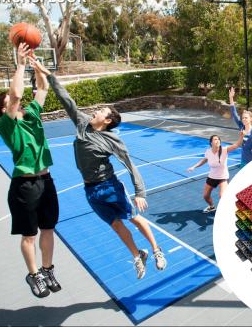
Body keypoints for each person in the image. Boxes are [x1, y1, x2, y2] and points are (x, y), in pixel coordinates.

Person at [30, 59, 167, 280]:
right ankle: (137, 254)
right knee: (115, 224)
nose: (96, 110)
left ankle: (155, 249)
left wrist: (140, 192)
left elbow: (130, 165)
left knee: (132, 217)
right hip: (90, 190)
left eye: (101, 110)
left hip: (110, 186)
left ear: (108, 120)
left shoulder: (112, 140)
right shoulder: (83, 123)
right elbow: (67, 100)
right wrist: (49, 75)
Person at [0, 43, 61, 298]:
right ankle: (33, 274)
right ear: (4, 110)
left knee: (48, 229)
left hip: (46, 181)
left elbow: (43, 87)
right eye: (11, 103)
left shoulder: (33, 114)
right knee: (29, 235)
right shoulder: (6, 125)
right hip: (24, 186)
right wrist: (21, 64)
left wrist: (36, 66)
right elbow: (14, 95)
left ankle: (47, 270)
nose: (19, 102)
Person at [187, 132, 243, 213]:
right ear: (211, 142)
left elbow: (236, 145)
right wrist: (194, 167)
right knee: (206, 196)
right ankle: (212, 207)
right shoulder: (208, 151)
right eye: (215, 139)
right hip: (212, 177)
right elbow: (205, 160)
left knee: (222, 196)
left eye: (218, 139)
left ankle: (230, 210)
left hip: (223, 177)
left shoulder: (224, 150)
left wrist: (241, 136)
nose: (217, 140)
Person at [228, 87, 252, 166]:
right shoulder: (241, 126)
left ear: (251, 119)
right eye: (243, 118)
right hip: (244, 160)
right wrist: (231, 98)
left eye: (246, 118)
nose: (244, 119)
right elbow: (234, 114)